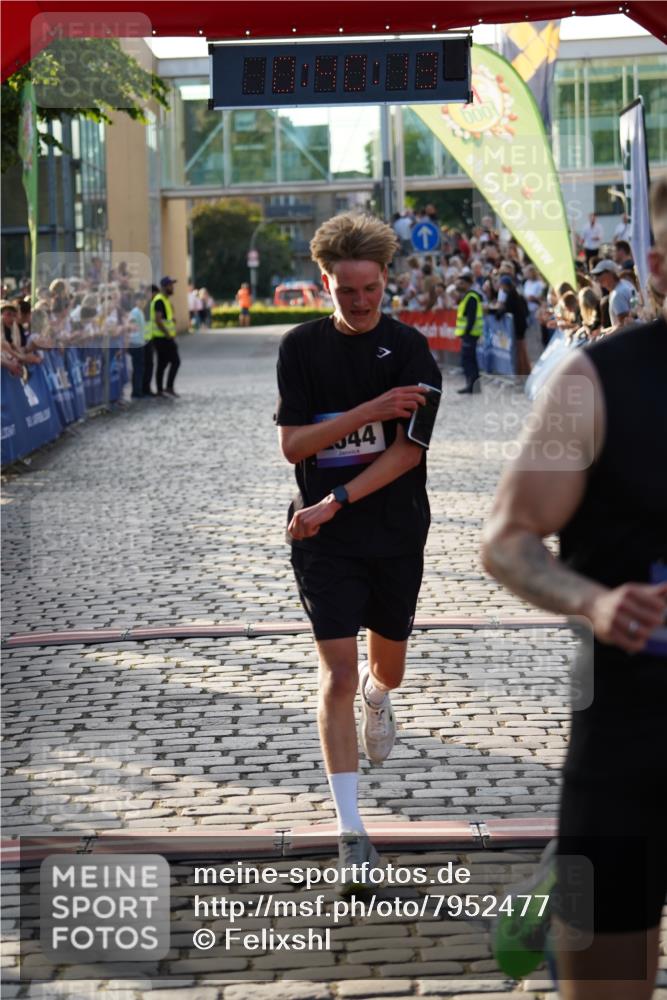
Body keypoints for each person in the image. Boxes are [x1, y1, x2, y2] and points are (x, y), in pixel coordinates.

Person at [481, 177, 667, 999]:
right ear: (659, 264)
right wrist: (592, 599)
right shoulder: (590, 383)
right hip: (630, 751)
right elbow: (506, 539)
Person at [275, 212, 442, 888]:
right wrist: (367, 412)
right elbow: (295, 446)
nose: (360, 302)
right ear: (326, 285)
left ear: (384, 282)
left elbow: (407, 453)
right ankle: (350, 831)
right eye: (346, 292)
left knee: (383, 672)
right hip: (320, 538)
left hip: (394, 530)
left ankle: (382, 697)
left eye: (370, 290)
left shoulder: (411, 353)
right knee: (336, 675)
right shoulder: (300, 349)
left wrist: (339, 496)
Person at [149, 277, 181, 397]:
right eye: (170, 285)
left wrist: (171, 319)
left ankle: (160, 390)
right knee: (175, 361)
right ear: (164, 287)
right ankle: (168, 387)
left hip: (163, 337)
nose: (172, 287)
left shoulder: (165, 300)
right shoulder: (159, 300)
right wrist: (167, 333)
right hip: (162, 337)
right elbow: (158, 319)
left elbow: (164, 318)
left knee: (162, 363)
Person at [453, 272, 484, 393]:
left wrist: (466, 333)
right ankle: (472, 386)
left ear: (468, 284)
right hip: (469, 334)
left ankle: (472, 386)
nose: (458, 285)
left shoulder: (471, 297)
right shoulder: (467, 296)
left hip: (470, 334)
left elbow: (471, 318)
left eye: (461, 283)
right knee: (470, 360)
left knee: (468, 361)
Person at [496, 273, 531, 376]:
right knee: (521, 348)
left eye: (501, 285)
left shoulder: (512, 294)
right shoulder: (514, 293)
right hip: (521, 324)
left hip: (518, 325)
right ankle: (525, 370)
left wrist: (498, 314)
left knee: (520, 349)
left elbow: (508, 308)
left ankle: (522, 371)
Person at [590, 259, 635, 330]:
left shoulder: (617, 294)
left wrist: (607, 334)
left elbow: (625, 326)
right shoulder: (624, 283)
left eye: (599, 274)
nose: (597, 278)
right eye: (596, 275)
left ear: (610, 273)